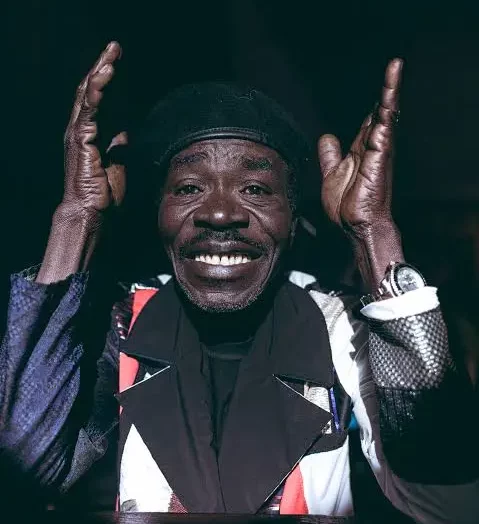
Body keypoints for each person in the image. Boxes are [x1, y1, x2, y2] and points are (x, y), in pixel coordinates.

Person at [0, 42, 478, 522]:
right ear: (159, 217)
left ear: (293, 222)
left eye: (255, 189)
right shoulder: (124, 322)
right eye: (189, 188)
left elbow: (450, 504)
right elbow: (26, 471)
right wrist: (77, 218)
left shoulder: (337, 325)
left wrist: (373, 234)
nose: (220, 213)